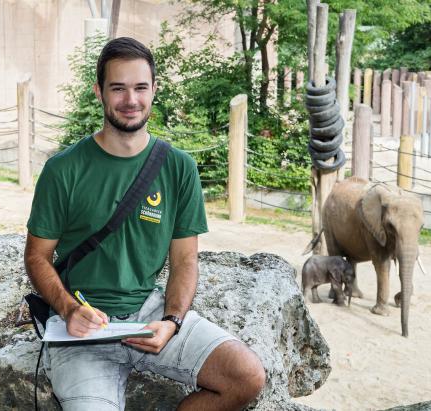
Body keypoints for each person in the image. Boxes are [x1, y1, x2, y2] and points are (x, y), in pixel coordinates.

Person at [24, 37, 265, 410]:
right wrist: (70, 310)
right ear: (99, 92)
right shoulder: (64, 169)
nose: (130, 100)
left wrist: (171, 321)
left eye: (139, 87)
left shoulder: (178, 167)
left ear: (154, 90)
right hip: (82, 331)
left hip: (149, 314)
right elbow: (38, 257)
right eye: (117, 88)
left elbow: (185, 261)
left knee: (246, 376)